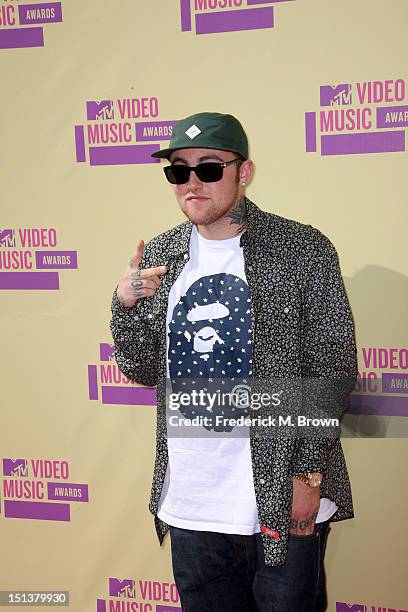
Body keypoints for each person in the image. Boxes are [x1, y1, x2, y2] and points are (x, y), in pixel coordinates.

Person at [110, 112, 357, 611]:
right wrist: (125, 305)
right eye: (178, 171)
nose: (192, 183)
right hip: (193, 504)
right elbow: (138, 368)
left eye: (209, 168)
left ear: (243, 172)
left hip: (280, 494)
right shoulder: (163, 253)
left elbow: (332, 366)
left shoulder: (301, 248)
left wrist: (308, 475)